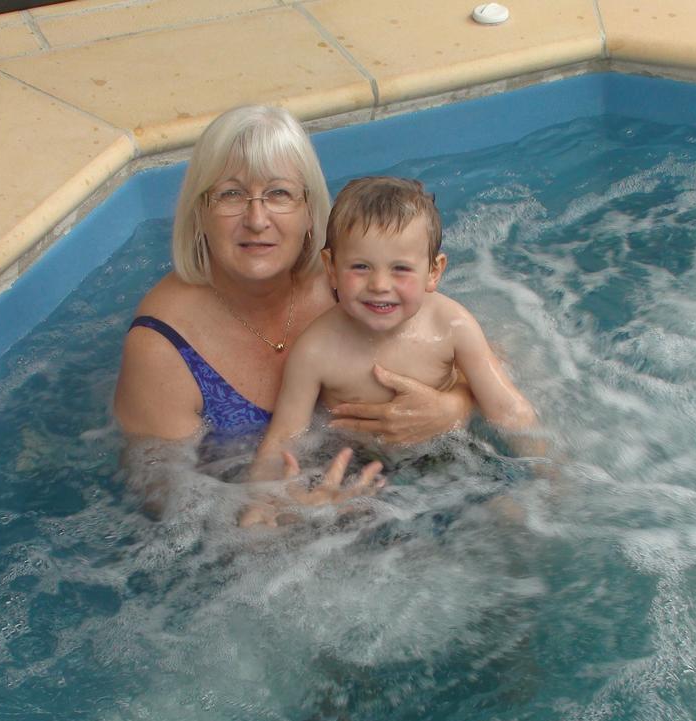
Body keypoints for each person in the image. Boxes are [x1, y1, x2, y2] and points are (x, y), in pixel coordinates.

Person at [113, 106, 474, 504]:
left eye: (279, 194)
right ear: (200, 213)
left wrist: (452, 408)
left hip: (401, 493)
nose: (256, 219)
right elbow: (169, 504)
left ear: (309, 210)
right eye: (230, 194)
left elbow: (470, 353)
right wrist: (285, 521)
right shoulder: (163, 347)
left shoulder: (354, 280)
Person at [240, 176, 542, 527]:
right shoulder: (316, 350)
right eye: (360, 267)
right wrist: (261, 501)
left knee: (510, 516)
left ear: (433, 271)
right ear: (331, 269)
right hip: (364, 469)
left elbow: (509, 409)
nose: (380, 285)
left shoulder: (451, 325)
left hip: (448, 451)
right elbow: (284, 437)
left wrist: (554, 476)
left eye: (400, 268)